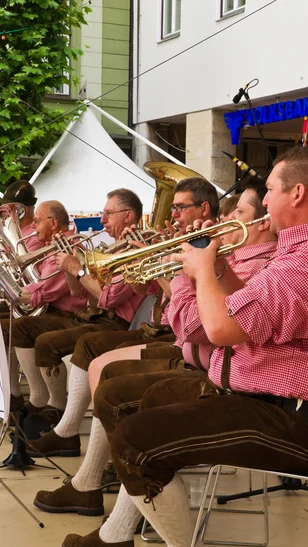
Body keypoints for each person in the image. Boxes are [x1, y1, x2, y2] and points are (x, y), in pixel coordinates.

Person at [91, 147, 308, 547]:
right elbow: (250, 310)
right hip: (267, 399)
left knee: (134, 440)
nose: (266, 203)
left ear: (296, 193)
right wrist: (217, 267)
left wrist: (197, 272)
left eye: (271, 192)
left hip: (291, 421)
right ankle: (124, 530)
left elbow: (220, 330)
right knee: (145, 399)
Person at [32, 179, 277, 531]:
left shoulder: (255, 264)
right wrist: (183, 258)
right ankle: (97, 478)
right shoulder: (236, 257)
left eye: (238, 212)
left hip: (206, 361)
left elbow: (196, 325)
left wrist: (182, 267)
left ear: (262, 222)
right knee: (102, 364)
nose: (174, 214)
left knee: (109, 375)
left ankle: (105, 488)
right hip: (190, 347)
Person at [25, 178, 220, 455]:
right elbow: (130, 289)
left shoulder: (208, 249)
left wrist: (83, 270)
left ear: (203, 209)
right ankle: (72, 429)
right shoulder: (148, 245)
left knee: (92, 354)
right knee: (79, 349)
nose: (173, 215)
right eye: (172, 207)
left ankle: (87, 439)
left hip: (169, 333)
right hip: (153, 326)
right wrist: (75, 270)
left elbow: (109, 298)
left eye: (179, 208)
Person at [11, 189, 144, 434]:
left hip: (115, 321)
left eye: (108, 214)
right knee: (25, 331)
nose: (102, 221)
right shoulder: (115, 248)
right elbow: (78, 292)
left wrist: (79, 271)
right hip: (97, 316)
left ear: (128, 216)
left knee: (63, 343)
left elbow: (108, 299)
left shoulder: (135, 250)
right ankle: (52, 408)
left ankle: (60, 417)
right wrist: (69, 268)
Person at [0, 200, 88, 411]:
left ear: (54, 223)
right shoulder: (53, 247)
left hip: (68, 314)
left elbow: (45, 291)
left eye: (37, 222)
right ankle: (19, 394)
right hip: (54, 310)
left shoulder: (70, 248)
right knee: (15, 324)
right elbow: (39, 285)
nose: (33, 227)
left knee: (18, 326)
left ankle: (42, 400)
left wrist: (8, 291)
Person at [1, 180, 43, 251]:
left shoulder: (37, 234)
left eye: (10, 208)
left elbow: (24, 260)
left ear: (21, 209)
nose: (5, 213)